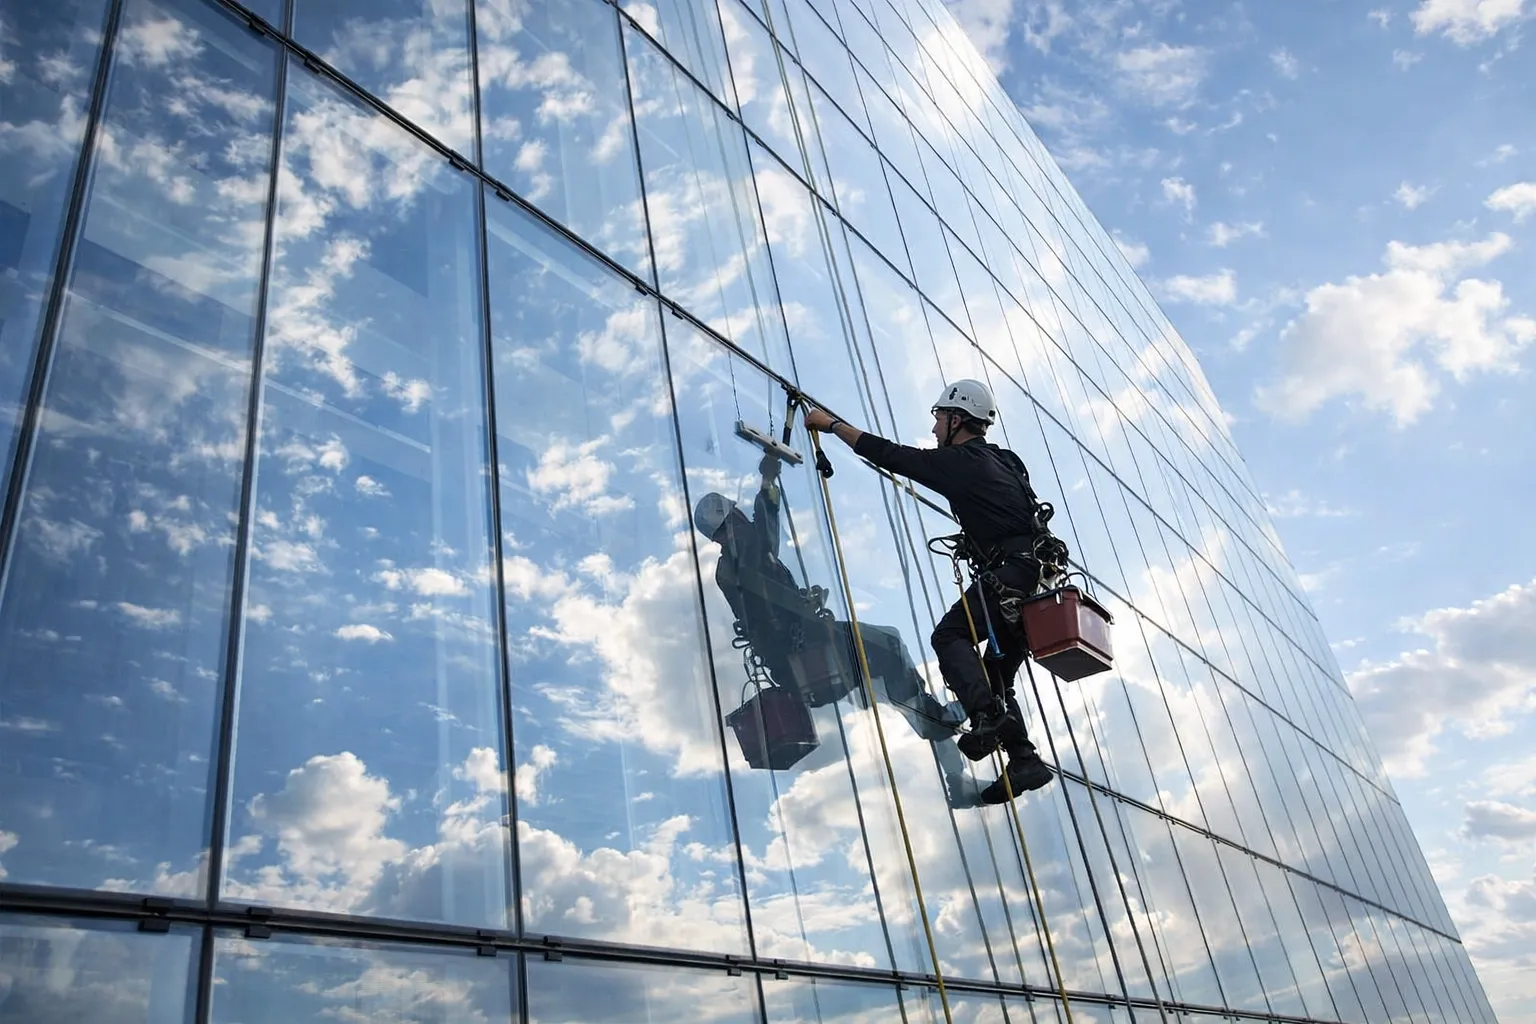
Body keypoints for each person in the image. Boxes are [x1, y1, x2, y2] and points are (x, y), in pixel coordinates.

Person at [803, 379, 1055, 804]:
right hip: (1032, 581)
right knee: (995, 676)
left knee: (950, 636)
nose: (935, 429)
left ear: (957, 419)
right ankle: (1024, 759)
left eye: (940, 419)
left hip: (1010, 576)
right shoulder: (1004, 461)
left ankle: (987, 718)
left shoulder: (963, 460)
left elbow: (892, 456)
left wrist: (832, 426)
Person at [693, 454, 963, 748]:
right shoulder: (739, 558)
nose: (742, 518)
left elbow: (764, 563)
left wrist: (801, 601)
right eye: (735, 516)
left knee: (888, 665)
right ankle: (933, 723)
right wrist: (767, 482)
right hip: (804, 649)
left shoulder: (738, 560)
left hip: (800, 653)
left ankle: (940, 739)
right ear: (727, 528)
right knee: (890, 644)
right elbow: (765, 540)